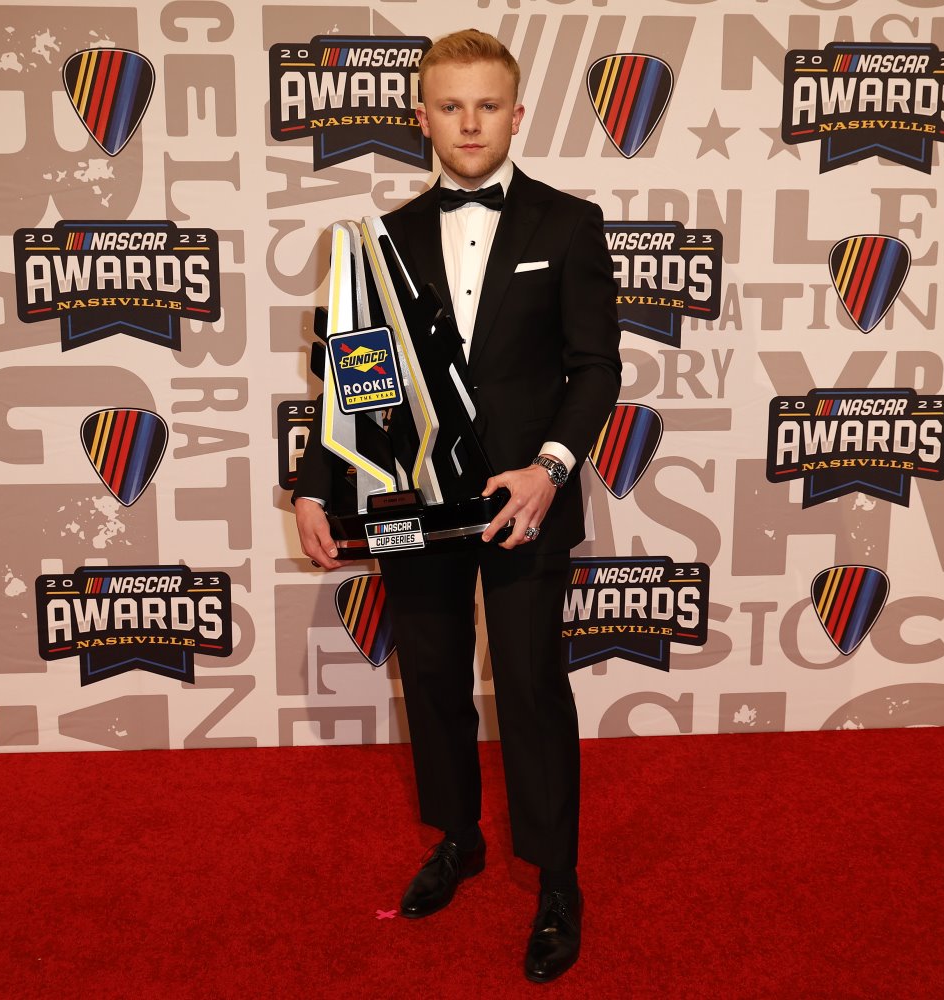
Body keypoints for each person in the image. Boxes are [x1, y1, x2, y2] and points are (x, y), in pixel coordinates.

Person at [293, 28, 621, 984]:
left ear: (517, 116)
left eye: (487, 105)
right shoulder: (380, 240)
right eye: (450, 104)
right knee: (431, 679)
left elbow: (595, 368)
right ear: (422, 116)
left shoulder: (569, 222)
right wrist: (317, 485)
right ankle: (459, 839)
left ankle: (556, 877)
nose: (469, 121)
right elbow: (352, 378)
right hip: (414, 502)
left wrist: (550, 469)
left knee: (527, 686)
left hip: (526, 502)